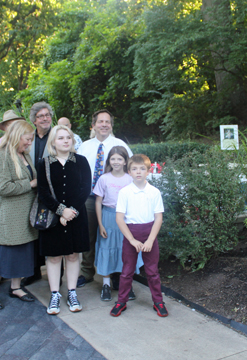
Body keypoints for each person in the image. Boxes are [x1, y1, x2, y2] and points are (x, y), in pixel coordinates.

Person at [37, 125, 91, 315]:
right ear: (53, 142)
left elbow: (85, 188)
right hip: (53, 217)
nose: (66, 141)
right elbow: (43, 192)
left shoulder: (81, 161)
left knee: (73, 255)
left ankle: (72, 292)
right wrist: (61, 211)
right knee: (53, 257)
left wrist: (71, 211)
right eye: (60, 138)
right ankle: (54, 294)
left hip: (76, 217)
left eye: (68, 137)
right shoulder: (44, 163)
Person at [77, 109, 133, 288]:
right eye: (100, 121)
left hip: (113, 202)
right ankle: (87, 271)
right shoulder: (84, 146)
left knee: (115, 236)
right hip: (89, 197)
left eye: (107, 122)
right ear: (93, 125)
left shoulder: (120, 145)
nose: (104, 125)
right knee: (89, 235)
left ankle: (116, 273)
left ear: (111, 125)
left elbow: (131, 169)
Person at [0, 120, 38, 309]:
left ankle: (15, 287)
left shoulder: (24, 154)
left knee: (22, 253)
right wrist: (30, 184)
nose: (29, 143)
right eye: (27, 139)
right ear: (17, 136)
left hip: (25, 215)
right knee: (3, 254)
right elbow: (2, 187)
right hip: (7, 216)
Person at [110, 154, 166, 317]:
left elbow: (158, 218)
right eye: (134, 169)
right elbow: (120, 219)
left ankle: (158, 301)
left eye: (142, 169)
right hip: (131, 235)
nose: (138, 172)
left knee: (152, 271)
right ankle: (121, 301)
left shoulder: (154, 192)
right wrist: (132, 240)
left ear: (148, 171)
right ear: (129, 172)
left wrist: (150, 240)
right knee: (127, 271)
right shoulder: (125, 192)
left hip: (149, 234)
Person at [93, 146, 142, 301]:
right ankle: (106, 284)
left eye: (119, 159)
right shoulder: (104, 178)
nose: (116, 162)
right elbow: (98, 202)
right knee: (106, 249)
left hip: (126, 220)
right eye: (113, 158)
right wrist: (100, 224)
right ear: (109, 161)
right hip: (108, 218)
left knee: (125, 251)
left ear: (125, 161)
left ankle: (126, 284)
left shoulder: (130, 179)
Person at [21, 102, 54, 287]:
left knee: (51, 228)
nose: (45, 118)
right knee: (32, 229)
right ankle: (34, 271)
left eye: (47, 115)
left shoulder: (57, 135)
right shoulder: (28, 138)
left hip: (51, 191)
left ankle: (56, 271)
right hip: (31, 190)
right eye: (41, 116)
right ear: (34, 120)